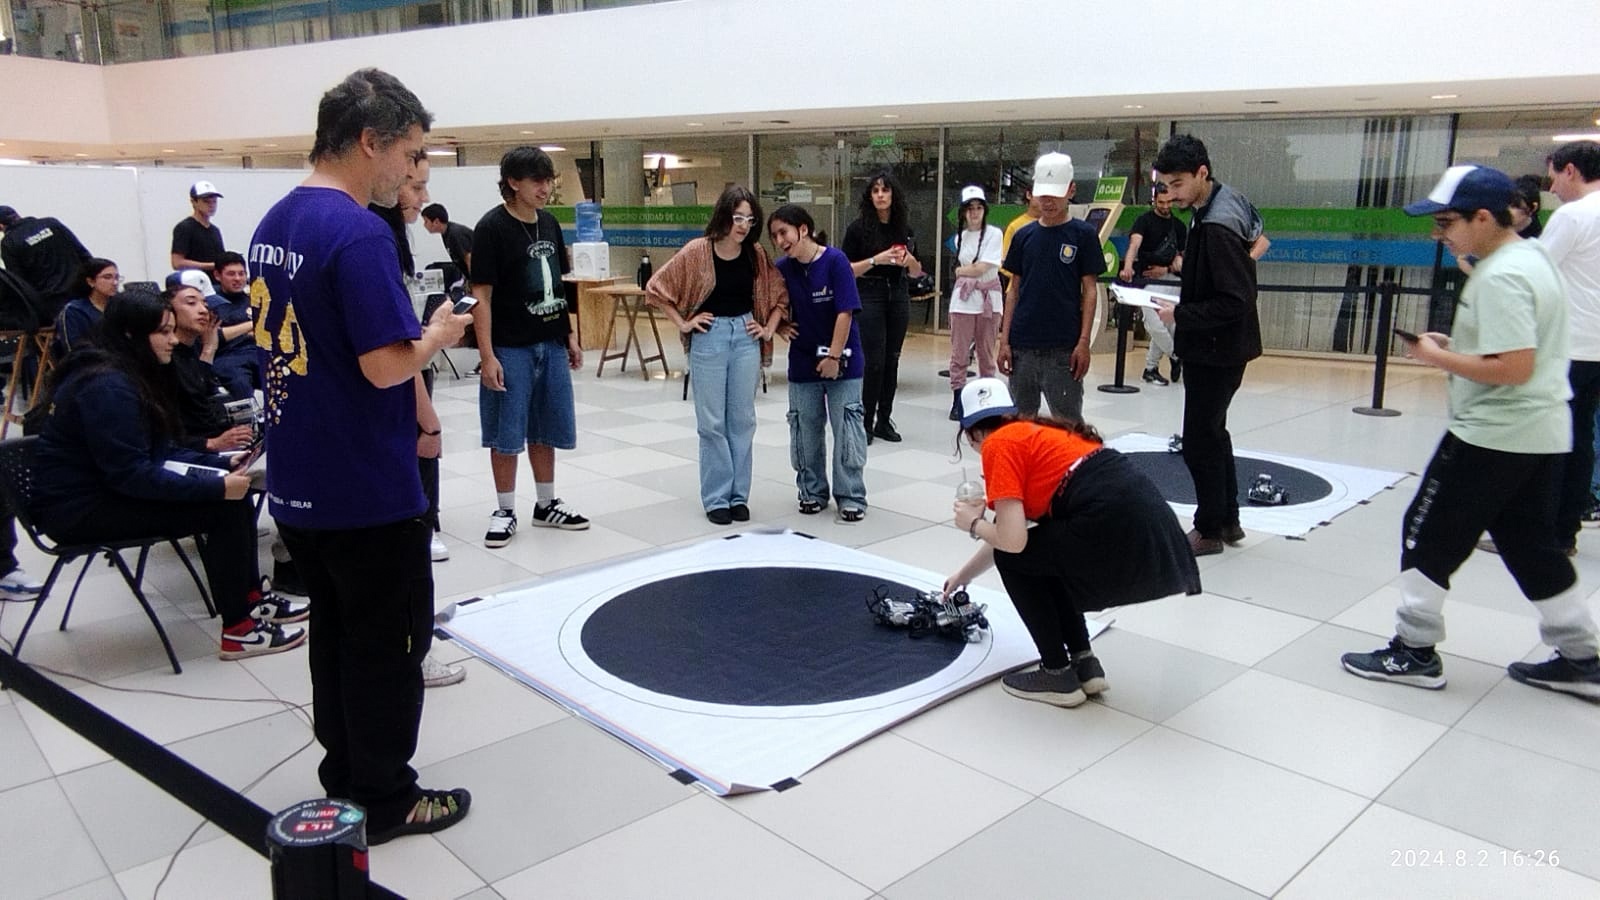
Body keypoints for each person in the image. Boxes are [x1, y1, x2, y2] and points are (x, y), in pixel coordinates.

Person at [249, 67, 473, 843]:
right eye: (407, 153)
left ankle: (342, 770)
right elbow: (384, 362)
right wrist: (439, 335)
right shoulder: (356, 231)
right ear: (371, 141)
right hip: (365, 487)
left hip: (301, 475)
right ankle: (385, 794)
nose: (408, 173)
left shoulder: (274, 222)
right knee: (389, 642)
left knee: (336, 634)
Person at [1342, 164, 1600, 700]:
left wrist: (1440, 356)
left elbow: (1513, 367)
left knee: (1426, 531)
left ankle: (1413, 651)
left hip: (1493, 434)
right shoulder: (1529, 256)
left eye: (1446, 222)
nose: (1441, 235)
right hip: (1541, 431)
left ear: (1484, 217)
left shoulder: (1504, 275)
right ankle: (1583, 657)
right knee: (1531, 545)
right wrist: (1457, 344)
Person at [29, 289, 306, 656]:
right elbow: (133, 475)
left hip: (102, 490)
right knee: (223, 505)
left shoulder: (125, 369)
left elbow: (158, 449)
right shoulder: (107, 385)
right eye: (164, 331)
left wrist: (222, 464)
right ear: (132, 334)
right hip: (80, 510)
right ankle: (239, 628)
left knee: (230, 497)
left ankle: (252, 601)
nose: (174, 340)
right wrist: (216, 486)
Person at [945, 377, 1199, 707]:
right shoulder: (1032, 435)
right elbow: (1017, 538)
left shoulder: (997, 445)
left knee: (1019, 559)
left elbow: (1011, 542)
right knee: (1048, 553)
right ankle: (1084, 662)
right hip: (1144, 514)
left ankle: (1056, 674)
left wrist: (973, 523)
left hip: (1109, 518)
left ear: (971, 433)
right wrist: (964, 576)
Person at [369, 154, 466, 688]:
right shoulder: (371, 242)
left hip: (398, 397)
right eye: (415, 184)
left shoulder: (387, 242)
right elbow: (393, 353)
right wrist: (426, 420)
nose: (421, 197)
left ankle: (414, 632)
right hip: (397, 402)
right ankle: (413, 645)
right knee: (405, 534)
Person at [469, 145, 589, 548]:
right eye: (537, 180)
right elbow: (480, 296)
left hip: (550, 342)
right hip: (510, 346)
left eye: (549, 179)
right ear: (513, 183)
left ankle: (546, 503)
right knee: (507, 431)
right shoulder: (491, 228)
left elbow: (558, 283)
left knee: (545, 427)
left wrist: (568, 334)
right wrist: (487, 356)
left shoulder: (550, 224)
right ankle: (504, 508)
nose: (545, 187)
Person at [645, 186, 787, 524]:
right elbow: (657, 288)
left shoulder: (755, 254)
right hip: (709, 338)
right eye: (738, 217)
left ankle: (739, 495)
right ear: (724, 214)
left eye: (750, 220)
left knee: (742, 420)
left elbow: (779, 293)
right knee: (712, 422)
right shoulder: (698, 251)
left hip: (744, 337)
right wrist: (684, 321)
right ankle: (716, 497)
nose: (743, 225)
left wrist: (767, 329)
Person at [1152, 134, 1264, 557]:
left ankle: (1209, 528)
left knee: (1200, 440)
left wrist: (1180, 315)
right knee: (1213, 434)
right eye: (1166, 185)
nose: (1172, 194)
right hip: (1220, 345)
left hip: (1218, 348)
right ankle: (1228, 519)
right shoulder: (1217, 204)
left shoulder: (1216, 224)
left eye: (1178, 184)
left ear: (1203, 173)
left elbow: (1236, 298)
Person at [768, 204, 869, 521]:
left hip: (844, 361)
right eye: (774, 236)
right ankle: (811, 492)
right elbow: (769, 304)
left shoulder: (835, 261)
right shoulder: (782, 269)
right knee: (804, 429)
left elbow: (845, 311)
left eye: (783, 232)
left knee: (847, 429)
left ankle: (851, 496)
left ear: (803, 229)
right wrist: (780, 326)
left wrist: (833, 357)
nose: (780, 241)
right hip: (802, 363)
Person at [998, 152, 1105, 424]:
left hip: (1063, 348)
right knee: (1021, 423)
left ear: (1071, 190)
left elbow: (1090, 291)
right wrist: (1004, 340)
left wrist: (1084, 342)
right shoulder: (1024, 236)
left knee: (1067, 424)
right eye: (1041, 194)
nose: (1047, 201)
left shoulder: (1083, 235)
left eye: (1055, 194)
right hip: (1023, 345)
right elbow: (1014, 290)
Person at [1543, 141, 1600, 557]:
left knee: (1556, 437)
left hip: (1572, 343)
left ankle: (1549, 531)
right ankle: (1566, 532)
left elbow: (1536, 269)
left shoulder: (1574, 215)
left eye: (1553, 177)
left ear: (1570, 171)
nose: (1552, 187)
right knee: (1582, 437)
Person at [842, 169, 924, 444]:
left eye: (885, 190)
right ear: (869, 196)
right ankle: (864, 421)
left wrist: (908, 260)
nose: (880, 195)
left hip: (898, 293)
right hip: (869, 293)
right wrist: (877, 260)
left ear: (893, 195)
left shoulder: (905, 229)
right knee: (873, 362)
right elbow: (847, 270)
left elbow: (916, 271)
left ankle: (884, 420)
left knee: (892, 360)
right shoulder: (857, 229)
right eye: (875, 191)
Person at [163, 271, 253, 455]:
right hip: (192, 450)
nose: (204, 310)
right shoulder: (165, 357)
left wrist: (209, 348)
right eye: (191, 303)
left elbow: (200, 391)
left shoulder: (195, 346)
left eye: (205, 303)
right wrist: (211, 443)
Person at [1119, 183, 1187, 386]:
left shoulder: (1179, 226)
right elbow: (1134, 245)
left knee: (1169, 324)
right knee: (1155, 323)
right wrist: (1128, 266)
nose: (1165, 206)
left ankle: (1151, 367)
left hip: (1171, 279)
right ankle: (1176, 355)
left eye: (1168, 202)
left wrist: (1171, 267)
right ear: (1154, 200)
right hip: (1148, 280)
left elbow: (1182, 256)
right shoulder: (1144, 221)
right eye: (1161, 202)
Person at [946, 186, 1003, 421]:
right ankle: (957, 399)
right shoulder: (960, 238)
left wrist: (961, 270)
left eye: (979, 208)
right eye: (970, 209)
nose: (975, 213)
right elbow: (975, 269)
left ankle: (987, 400)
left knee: (986, 354)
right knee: (959, 353)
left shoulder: (994, 234)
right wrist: (967, 273)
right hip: (963, 301)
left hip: (989, 298)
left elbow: (983, 267)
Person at [0, 205, 92, 320]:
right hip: (83, 291)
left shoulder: (9, 243)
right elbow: (84, 255)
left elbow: (19, 284)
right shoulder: (52, 223)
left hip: (53, 302)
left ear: (1, 226)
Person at [206, 251, 262, 402]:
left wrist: (235, 331)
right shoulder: (211, 303)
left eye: (241, 274)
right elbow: (213, 335)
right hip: (228, 356)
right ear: (217, 275)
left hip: (257, 352)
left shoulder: (254, 298)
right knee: (240, 383)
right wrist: (252, 324)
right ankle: (249, 422)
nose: (238, 279)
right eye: (231, 274)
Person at [51, 257, 118, 360]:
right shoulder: (74, 311)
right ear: (90, 282)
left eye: (116, 278)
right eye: (107, 277)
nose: (114, 283)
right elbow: (73, 350)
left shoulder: (119, 306)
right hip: (90, 366)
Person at [170, 181, 225, 277]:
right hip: (194, 283)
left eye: (214, 201)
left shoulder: (215, 230)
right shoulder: (184, 228)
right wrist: (212, 266)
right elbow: (177, 263)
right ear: (194, 202)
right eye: (206, 201)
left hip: (216, 282)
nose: (211, 205)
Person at [421, 203, 474, 285]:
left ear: (436, 222)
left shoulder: (455, 234)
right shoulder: (446, 233)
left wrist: (474, 282)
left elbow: (469, 258)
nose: (424, 225)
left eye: (426, 221)